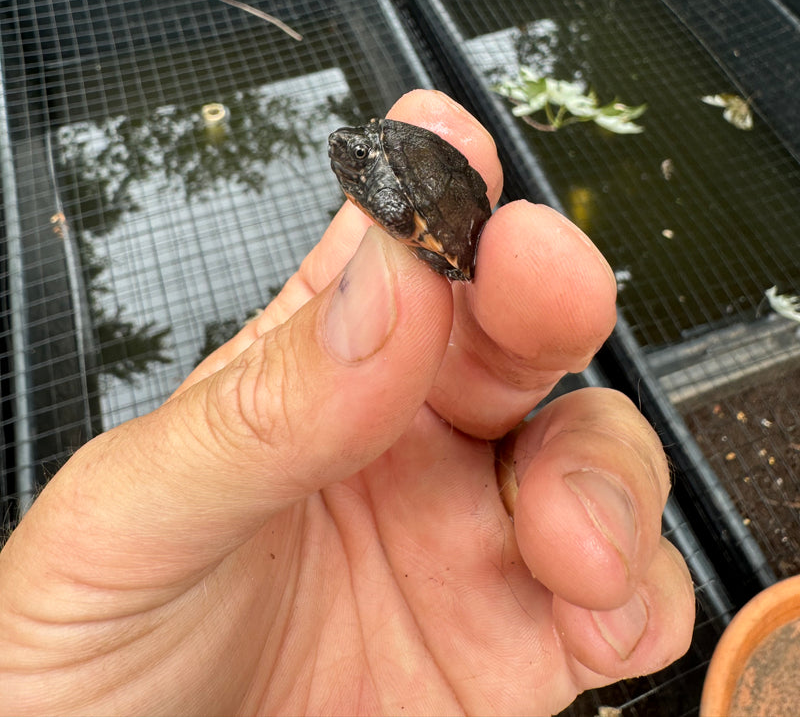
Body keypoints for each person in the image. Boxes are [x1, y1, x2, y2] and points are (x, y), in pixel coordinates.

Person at [0, 90, 694, 716]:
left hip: (452, 237)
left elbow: (401, 204)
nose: (347, 159)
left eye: (356, 158)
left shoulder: (391, 184)